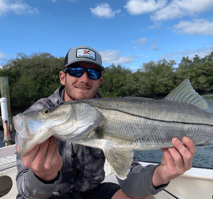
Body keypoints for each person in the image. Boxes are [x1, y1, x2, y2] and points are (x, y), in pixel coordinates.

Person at [15, 45, 196, 199]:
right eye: (76, 71)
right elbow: (24, 187)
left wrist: (160, 175)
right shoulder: (36, 115)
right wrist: (43, 177)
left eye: (92, 73)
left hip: (91, 192)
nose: (84, 79)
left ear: (99, 81)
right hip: (49, 195)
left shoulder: (115, 113)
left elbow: (129, 175)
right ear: (63, 77)